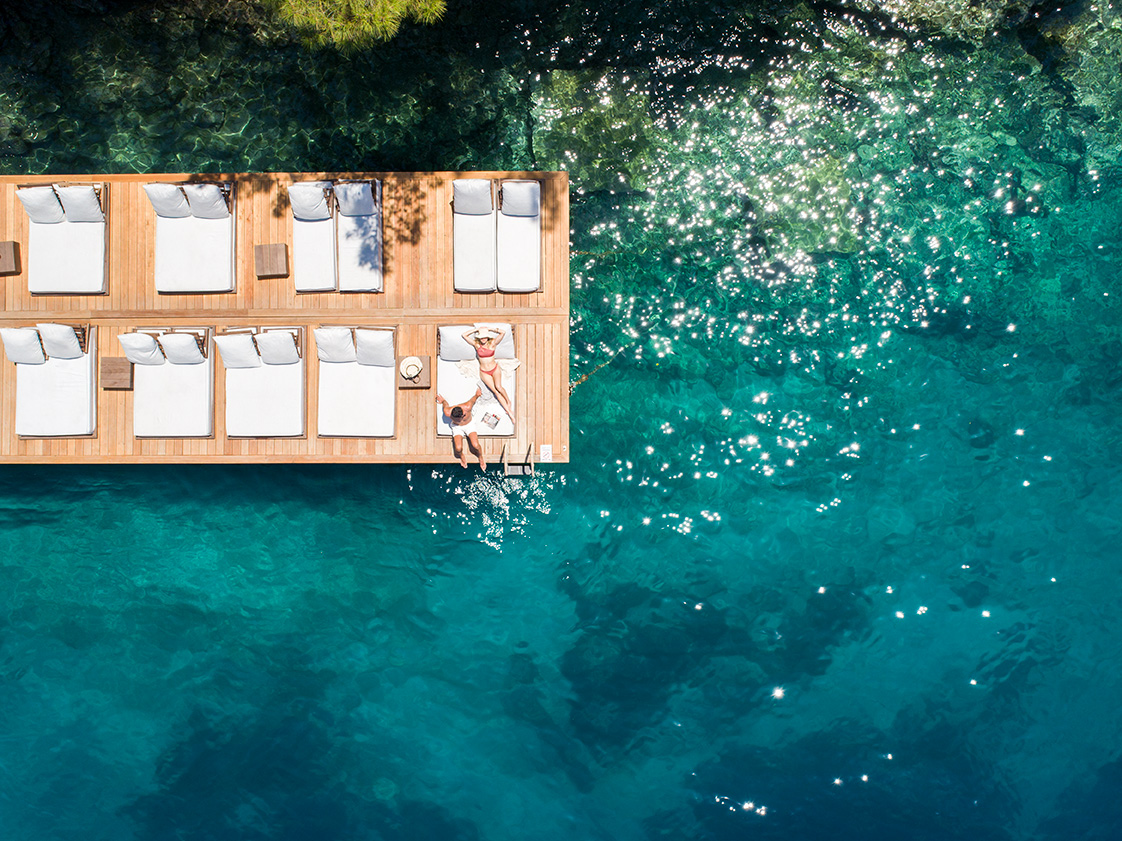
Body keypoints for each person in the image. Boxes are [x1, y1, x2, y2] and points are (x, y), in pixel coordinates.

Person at [463, 327, 514, 420]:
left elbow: (503, 332)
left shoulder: (493, 343)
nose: (483, 339)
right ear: (479, 338)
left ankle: (508, 401)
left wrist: (490, 329)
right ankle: (510, 413)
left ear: (488, 337)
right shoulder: (477, 345)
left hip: (494, 369)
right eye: (481, 337)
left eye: (485, 337)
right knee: (495, 392)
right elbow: (464, 335)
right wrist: (476, 329)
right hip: (484, 372)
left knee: (499, 387)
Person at [437, 388, 486, 470]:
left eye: (462, 416)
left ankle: (480, 457)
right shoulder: (448, 412)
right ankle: (462, 456)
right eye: (458, 418)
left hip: (469, 425)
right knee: (458, 448)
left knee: (476, 445)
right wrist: (443, 401)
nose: (461, 419)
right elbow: (446, 405)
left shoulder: (467, 407)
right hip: (457, 427)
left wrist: (477, 394)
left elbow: (473, 399)